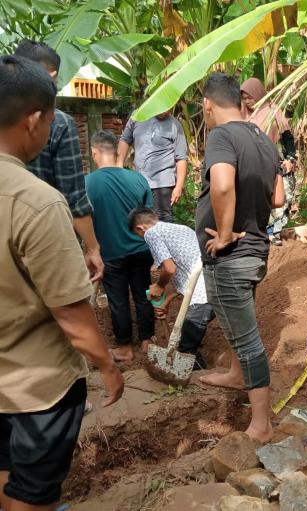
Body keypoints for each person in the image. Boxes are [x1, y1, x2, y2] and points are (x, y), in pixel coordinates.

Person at [0, 55, 124, 511]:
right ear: (34, 120)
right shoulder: (35, 202)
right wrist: (107, 366)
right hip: (36, 385)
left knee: (5, 470)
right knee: (33, 491)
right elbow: (71, 313)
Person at [196, 73, 284, 443]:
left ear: (208, 105)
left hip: (231, 257)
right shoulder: (263, 139)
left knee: (248, 341)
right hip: (256, 252)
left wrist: (227, 230)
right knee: (239, 323)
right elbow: (278, 198)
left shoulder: (221, 136)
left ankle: (261, 426)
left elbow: (223, 184)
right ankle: (236, 374)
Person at [14, 40, 104, 282]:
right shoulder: (58, 122)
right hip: (49, 241)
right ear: (51, 76)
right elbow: (74, 196)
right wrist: (93, 248)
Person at [87, 131, 156, 362]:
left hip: (112, 253)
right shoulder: (138, 179)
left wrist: (90, 249)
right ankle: (147, 341)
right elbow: (149, 217)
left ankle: (125, 347)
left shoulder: (88, 183)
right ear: (118, 153)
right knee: (143, 293)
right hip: (141, 250)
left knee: (118, 300)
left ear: (94, 153)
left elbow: (81, 218)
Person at [129, 206, 214, 369]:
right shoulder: (180, 228)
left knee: (185, 348)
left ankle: (195, 382)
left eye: (138, 234)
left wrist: (159, 286)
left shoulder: (151, 233)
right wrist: (166, 301)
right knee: (187, 339)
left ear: (140, 228)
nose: (141, 237)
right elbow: (188, 271)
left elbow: (169, 268)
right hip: (213, 287)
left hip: (202, 296)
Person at [241, 77, 296, 246]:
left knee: (279, 196)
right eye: (244, 98)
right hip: (252, 164)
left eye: (250, 97)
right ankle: (260, 231)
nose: (247, 101)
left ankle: (274, 232)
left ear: (259, 95)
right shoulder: (242, 114)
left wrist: (291, 159)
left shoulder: (274, 111)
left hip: (274, 161)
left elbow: (287, 137)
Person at [117, 109, 189, 222]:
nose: (166, 110)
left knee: (162, 221)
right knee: (139, 220)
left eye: (170, 107)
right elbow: (125, 140)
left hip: (163, 183)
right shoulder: (137, 116)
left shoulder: (175, 125)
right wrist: (118, 166)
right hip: (139, 181)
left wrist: (179, 186)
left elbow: (181, 158)